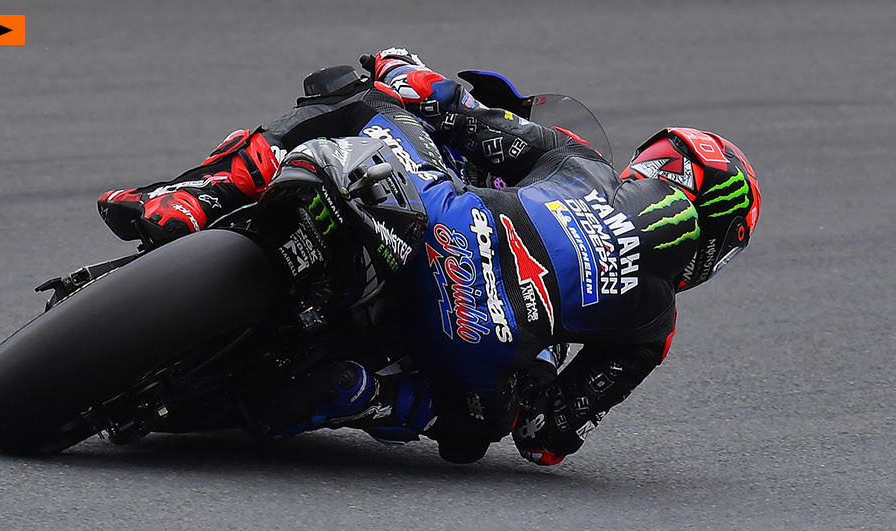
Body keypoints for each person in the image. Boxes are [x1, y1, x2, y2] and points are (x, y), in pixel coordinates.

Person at [97, 48, 761, 465]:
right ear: (717, 245)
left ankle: (191, 198)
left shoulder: (583, 162)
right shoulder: (654, 326)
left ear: (657, 162)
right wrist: (530, 384)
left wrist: (401, 69)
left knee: (357, 100)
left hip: (446, 223)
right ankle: (365, 396)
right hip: (480, 339)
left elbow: (458, 113)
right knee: (480, 423)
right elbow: (547, 436)